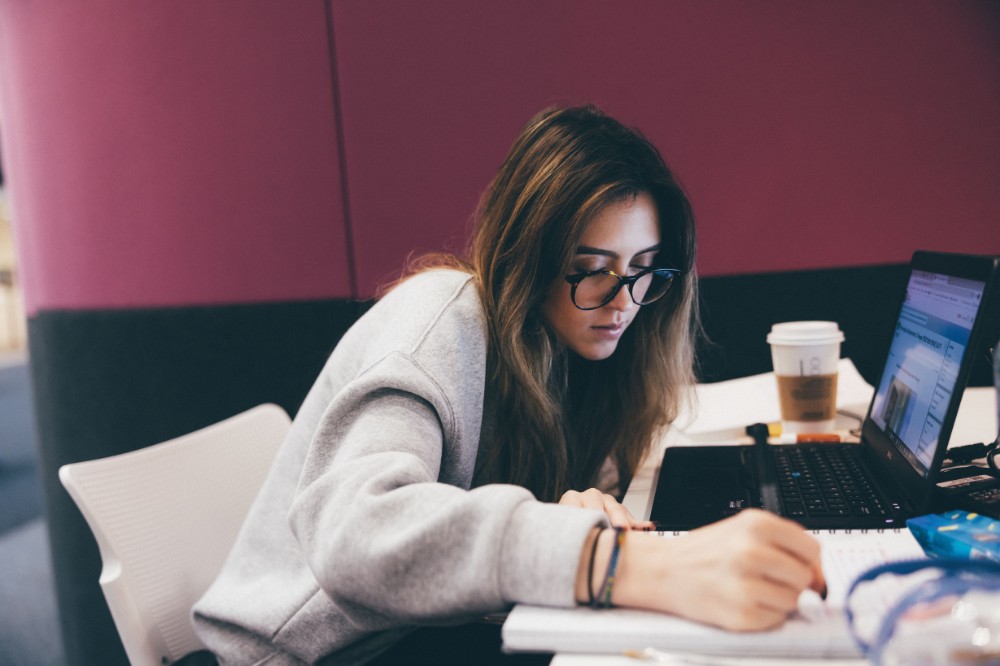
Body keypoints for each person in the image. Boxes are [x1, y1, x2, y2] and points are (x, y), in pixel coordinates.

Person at [191, 105, 824, 666]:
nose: (624, 303)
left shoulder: (575, 352)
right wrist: (620, 564)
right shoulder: (441, 313)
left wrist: (572, 507)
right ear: (528, 256)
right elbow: (355, 533)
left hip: (431, 632)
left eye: (642, 271)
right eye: (589, 269)